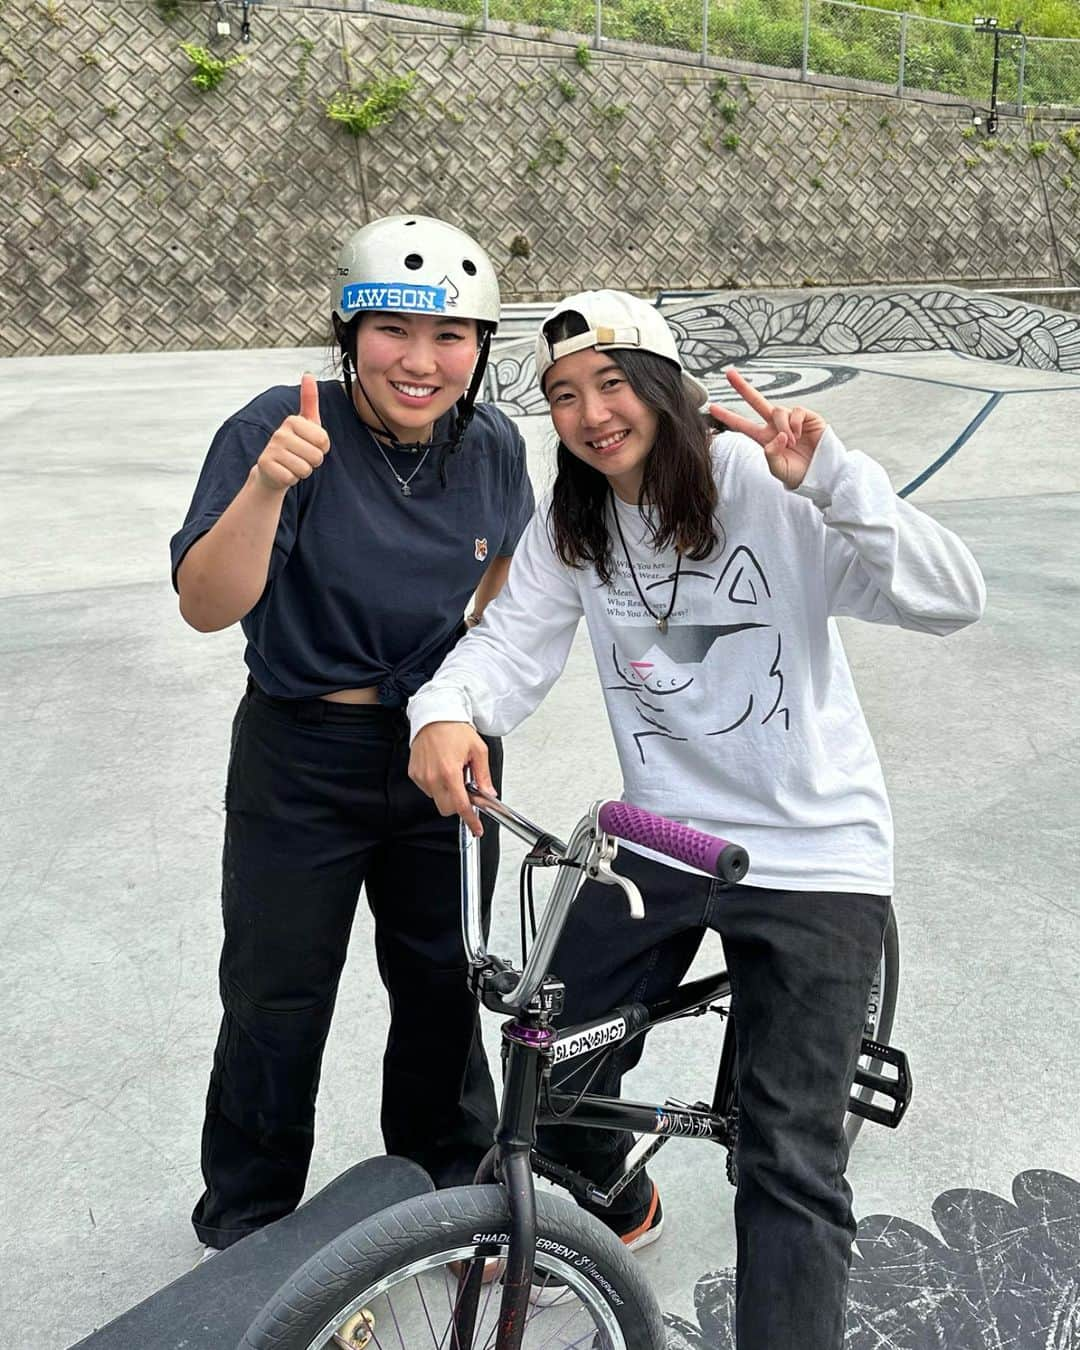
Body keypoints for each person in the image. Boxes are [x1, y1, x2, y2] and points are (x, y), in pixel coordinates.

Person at [406, 290, 985, 1347]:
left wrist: (839, 482)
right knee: (547, 1068)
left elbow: (953, 598)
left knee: (787, 1159)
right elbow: (505, 648)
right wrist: (445, 712)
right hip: (661, 839)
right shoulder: (574, 526)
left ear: (668, 389)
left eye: (613, 385)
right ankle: (617, 1202)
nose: (590, 415)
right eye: (565, 396)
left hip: (815, 853)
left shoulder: (765, 484)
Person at [170, 215, 535, 1257]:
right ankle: (246, 1221)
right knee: (276, 995)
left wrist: (457, 689)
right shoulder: (276, 426)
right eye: (394, 332)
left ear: (479, 348)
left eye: (452, 338)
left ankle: (444, 1190)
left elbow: (505, 584)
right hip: (301, 753)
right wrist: (271, 483)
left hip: (440, 752)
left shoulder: (494, 446)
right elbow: (206, 603)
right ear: (349, 329)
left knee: (442, 985)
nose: (421, 363)